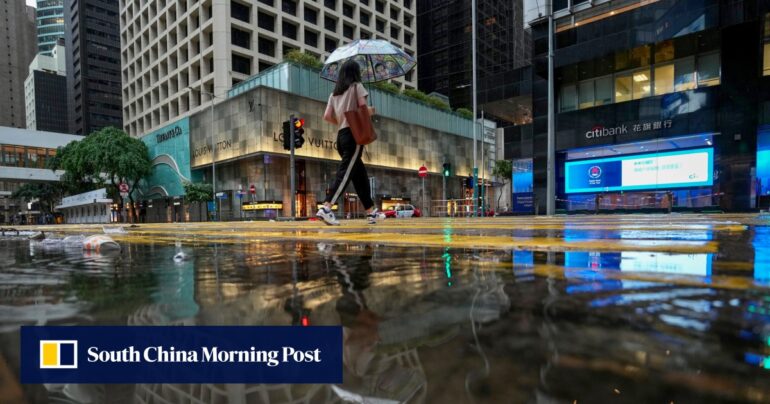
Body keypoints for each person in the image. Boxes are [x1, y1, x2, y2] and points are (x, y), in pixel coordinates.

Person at [318, 60, 382, 225]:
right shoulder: (356, 87)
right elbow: (363, 109)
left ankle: (370, 211)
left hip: (341, 136)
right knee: (346, 173)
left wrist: (341, 121)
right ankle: (326, 207)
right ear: (356, 73)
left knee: (359, 175)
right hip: (354, 135)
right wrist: (372, 110)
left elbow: (326, 116)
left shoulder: (334, 94)